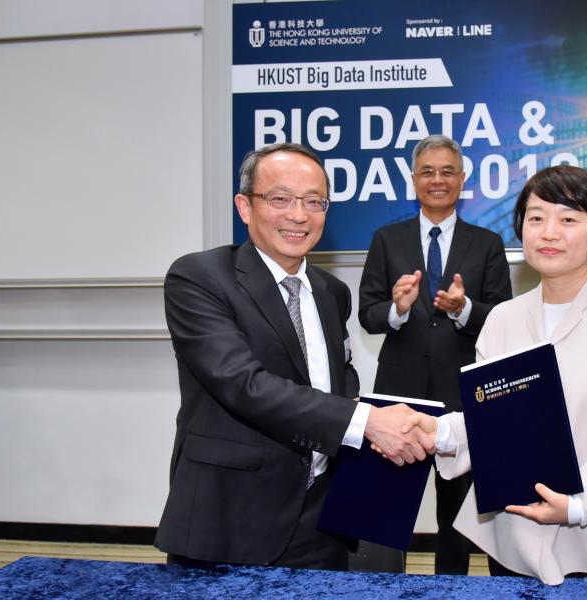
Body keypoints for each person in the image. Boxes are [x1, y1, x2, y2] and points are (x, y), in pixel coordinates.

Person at [402, 166, 587, 584]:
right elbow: (493, 425)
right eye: (536, 218)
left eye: (569, 219)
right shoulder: (503, 319)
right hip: (515, 537)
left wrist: (577, 505)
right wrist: (438, 432)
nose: (549, 232)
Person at [155, 143, 432, 570]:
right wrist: (368, 423)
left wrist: (370, 412)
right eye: (280, 199)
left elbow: (339, 376)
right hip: (230, 517)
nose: (299, 215)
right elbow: (243, 384)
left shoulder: (331, 292)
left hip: (321, 520)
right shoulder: (199, 278)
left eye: (314, 202)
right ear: (245, 207)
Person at [359, 135, 512, 574]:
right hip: (398, 398)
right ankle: (383, 587)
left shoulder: (487, 243)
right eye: (428, 171)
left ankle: (452, 587)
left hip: (462, 398)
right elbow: (368, 315)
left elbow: (503, 317)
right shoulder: (386, 239)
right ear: (413, 180)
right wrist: (397, 309)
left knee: (457, 518)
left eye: (448, 171)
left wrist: (464, 309)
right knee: (387, 512)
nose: (438, 180)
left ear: (462, 179)